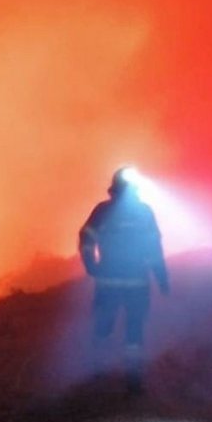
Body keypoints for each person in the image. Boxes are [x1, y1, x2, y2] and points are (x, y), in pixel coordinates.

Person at [78, 167, 170, 393]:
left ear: (114, 188)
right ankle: (133, 380)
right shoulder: (144, 212)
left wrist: (91, 265)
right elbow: (154, 249)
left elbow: (86, 239)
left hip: (108, 282)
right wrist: (161, 279)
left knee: (103, 328)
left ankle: (98, 374)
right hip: (137, 284)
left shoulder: (102, 211)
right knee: (134, 332)